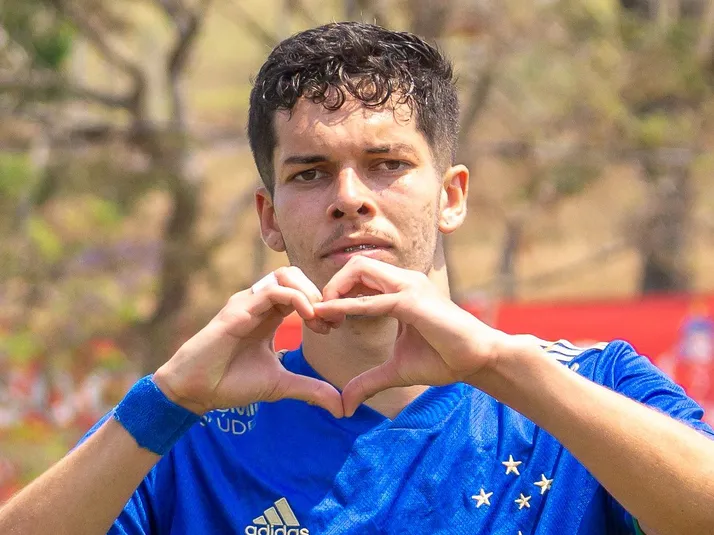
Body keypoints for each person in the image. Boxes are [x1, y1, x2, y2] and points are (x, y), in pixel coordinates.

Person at [1, 21, 713, 535]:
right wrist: (168, 398)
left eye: (387, 164)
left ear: (452, 196)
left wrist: (501, 367)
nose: (349, 197)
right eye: (310, 173)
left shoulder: (592, 386)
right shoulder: (188, 429)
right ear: (269, 217)